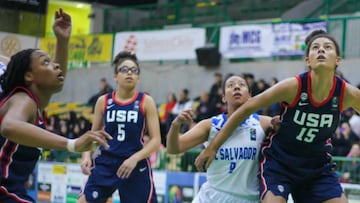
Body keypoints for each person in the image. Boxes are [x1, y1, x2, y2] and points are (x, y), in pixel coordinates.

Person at [195, 30, 352, 203]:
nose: (321, 50)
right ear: (308, 60)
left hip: (316, 166)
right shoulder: (293, 86)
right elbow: (247, 108)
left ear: (338, 59)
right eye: (315, 47)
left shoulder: (347, 93)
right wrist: (213, 146)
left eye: (327, 47)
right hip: (280, 163)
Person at [0, 9, 111, 203]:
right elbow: (9, 126)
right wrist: (72, 143)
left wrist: (62, 41)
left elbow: (53, 78)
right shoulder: (23, 101)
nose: (56, 66)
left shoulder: (32, 99)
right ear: (28, 76)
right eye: (47, 62)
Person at [167, 75, 273, 203]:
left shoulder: (263, 123)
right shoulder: (210, 125)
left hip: (249, 199)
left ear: (250, 95)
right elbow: (174, 148)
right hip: (213, 196)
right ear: (223, 97)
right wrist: (175, 125)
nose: (236, 87)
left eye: (241, 84)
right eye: (230, 85)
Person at [78, 51, 161, 203]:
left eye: (134, 70)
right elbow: (92, 135)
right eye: (124, 69)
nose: (129, 73)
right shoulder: (103, 101)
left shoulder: (146, 101)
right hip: (107, 162)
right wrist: (85, 157)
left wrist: (134, 159)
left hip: (135, 164)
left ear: (138, 77)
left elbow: (156, 141)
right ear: (115, 76)